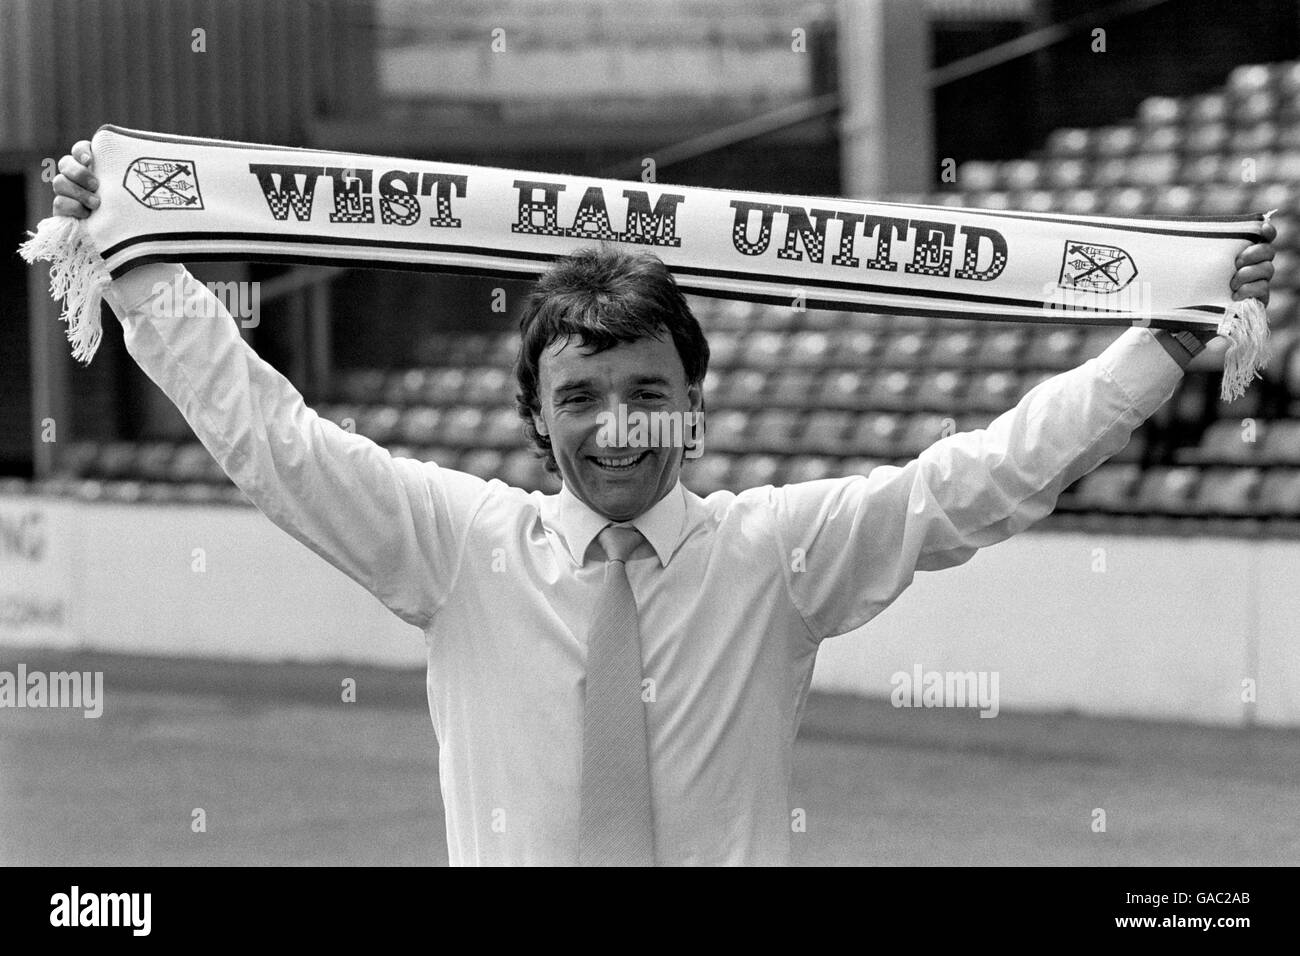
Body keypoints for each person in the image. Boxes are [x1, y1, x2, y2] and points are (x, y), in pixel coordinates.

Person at [52, 141, 1276, 866]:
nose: (614, 424)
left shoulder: (778, 554)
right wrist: (137, 252)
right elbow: (278, 443)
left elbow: (982, 478)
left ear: (694, 399)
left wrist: (1157, 346)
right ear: (536, 414)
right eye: (579, 394)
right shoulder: (459, 547)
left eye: (646, 389)